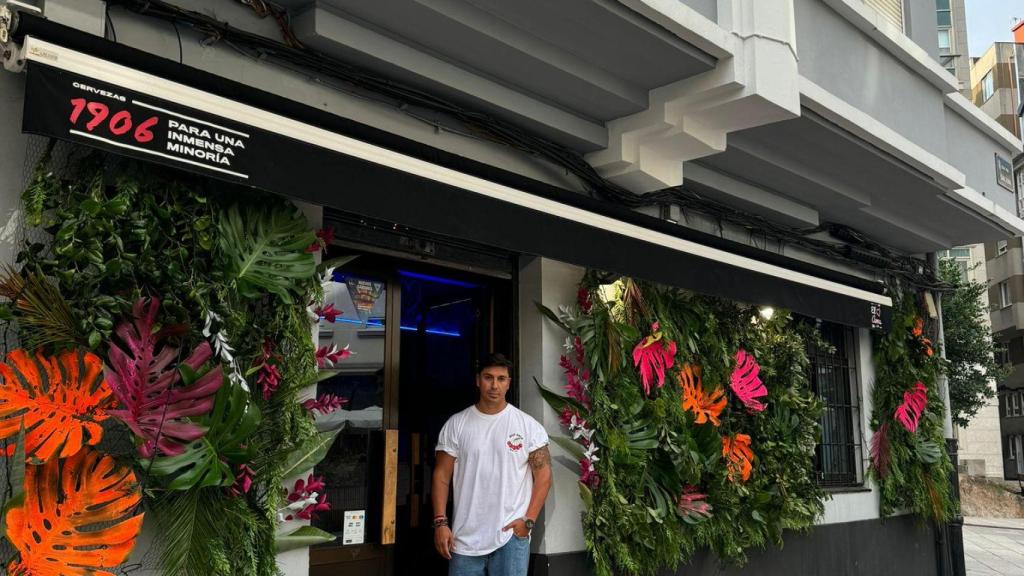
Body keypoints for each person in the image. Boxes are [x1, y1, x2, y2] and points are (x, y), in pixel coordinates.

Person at [431, 353, 552, 576]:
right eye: (488, 377)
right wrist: (440, 523)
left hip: (511, 539)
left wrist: (528, 521)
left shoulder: (528, 427)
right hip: (463, 540)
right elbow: (441, 476)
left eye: (501, 379)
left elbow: (544, 477)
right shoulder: (456, 424)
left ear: (508, 383)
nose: (494, 385)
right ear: (478, 380)